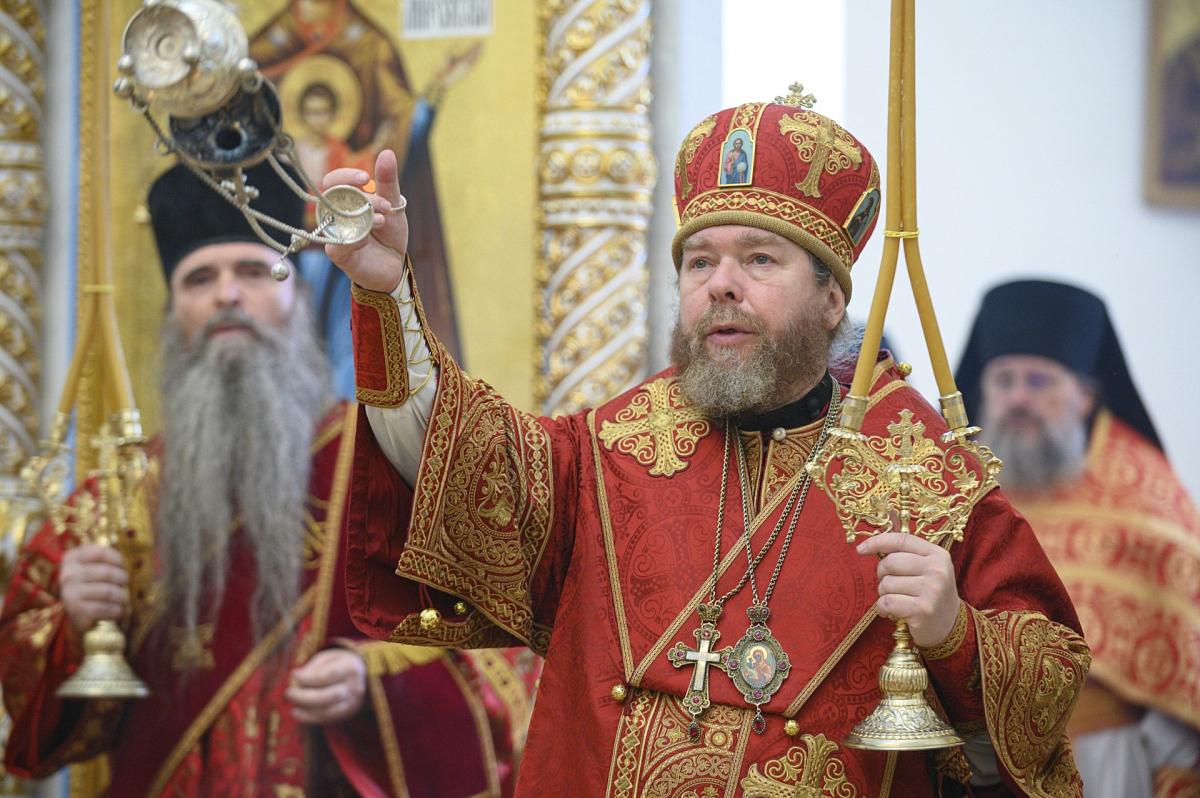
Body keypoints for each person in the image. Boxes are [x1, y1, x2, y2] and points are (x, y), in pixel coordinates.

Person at [329, 97, 1090, 797]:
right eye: (700, 262)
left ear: (832, 300)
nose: (721, 284)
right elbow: (458, 458)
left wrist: (954, 631)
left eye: (759, 259)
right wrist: (387, 293)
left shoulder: (919, 470)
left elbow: (1050, 684)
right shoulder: (604, 453)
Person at [0, 162, 534, 797]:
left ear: (300, 302)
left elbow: (509, 656)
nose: (228, 295)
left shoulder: (392, 468)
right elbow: (38, 738)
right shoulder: (114, 506)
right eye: (201, 279)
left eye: (255, 272)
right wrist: (75, 624)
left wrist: (376, 683)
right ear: (173, 314)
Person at [956, 279, 1200, 798]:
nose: (1019, 397)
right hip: (978, 760)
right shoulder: (951, 490)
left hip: (1103, 758)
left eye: (1039, 380)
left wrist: (1164, 756)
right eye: (1004, 380)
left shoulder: (1145, 497)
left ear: (1086, 396)